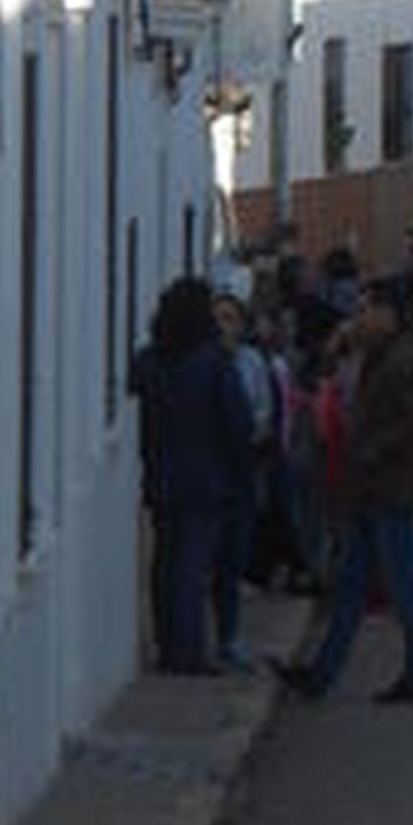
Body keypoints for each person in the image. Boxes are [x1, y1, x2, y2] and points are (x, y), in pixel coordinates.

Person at [273, 278, 413, 705]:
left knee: (404, 586)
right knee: (351, 586)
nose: (358, 318)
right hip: (366, 489)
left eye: (366, 309)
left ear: (387, 313)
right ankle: (322, 674)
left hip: (394, 489)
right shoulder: (375, 355)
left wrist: (374, 446)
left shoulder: (404, 359)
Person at [135, 277, 254, 676]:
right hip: (206, 478)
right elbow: (238, 422)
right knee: (192, 566)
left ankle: (169, 644)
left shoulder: (149, 360)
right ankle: (189, 653)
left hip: (161, 474)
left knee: (165, 563)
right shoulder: (214, 361)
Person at [211, 289, 274, 670]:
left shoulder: (252, 363)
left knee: (233, 560)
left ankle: (229, 637)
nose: (224, 326)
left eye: (230, 318)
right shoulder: (205, 364)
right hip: (214, 472)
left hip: (244, 470)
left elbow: (265, 409)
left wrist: (253, 432)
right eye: (218, 318)